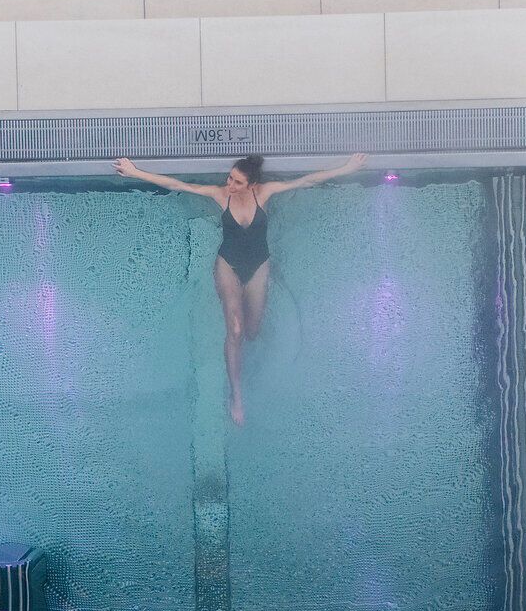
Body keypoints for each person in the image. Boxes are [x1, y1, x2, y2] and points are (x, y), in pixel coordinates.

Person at [114, 152, 369, 425]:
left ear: (251, 185)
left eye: (237, 182)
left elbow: (306, 181)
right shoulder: (221, 195)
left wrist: (347, 167)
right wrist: (135, 172)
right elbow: (178, 185)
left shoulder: (265, 193)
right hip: (228, 265)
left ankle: (243, 357)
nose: (230, 185)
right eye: (230, 178)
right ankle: (237, 395)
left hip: (259, 266)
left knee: (252, 331)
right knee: (234, 329)